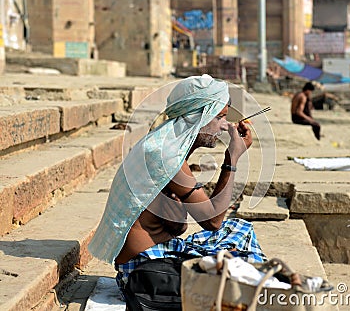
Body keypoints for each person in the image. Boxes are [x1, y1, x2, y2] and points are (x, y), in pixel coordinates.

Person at [88, 74, 266, 293]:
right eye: (219, 117)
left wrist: (176, 220)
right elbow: (213, 221)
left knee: (241, 230)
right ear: (198, 117)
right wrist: (232, 158)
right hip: (144, 271)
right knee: (244, 271)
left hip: (154, 258)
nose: (224, 126)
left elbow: (176, 224)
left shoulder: (162, 143)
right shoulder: (167, 155)